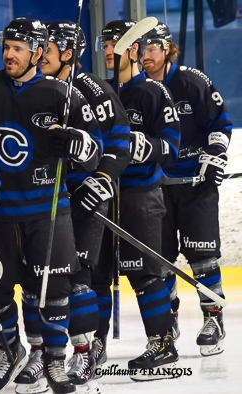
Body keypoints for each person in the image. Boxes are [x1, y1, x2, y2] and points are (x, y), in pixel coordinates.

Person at [0, 18, 101, 394]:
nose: (9, 54)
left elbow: (94, 153)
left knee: (52, 289)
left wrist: (77, 145)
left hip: (46, 211)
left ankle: (53, 360)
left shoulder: (64, 95)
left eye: (19, 48)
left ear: (38, 52)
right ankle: (10, 350)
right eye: (7, 47)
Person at [41, 20, 131, 390]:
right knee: (49, 279)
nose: (40, 54)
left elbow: (121, 141)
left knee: (81, 274)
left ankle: (88, 348)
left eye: (47, 48)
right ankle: (47, 354)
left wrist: (103, 179)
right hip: (49, 200)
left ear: (67, 52)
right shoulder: (38, 88)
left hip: (87, 195)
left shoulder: (93, 87)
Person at [93, 19, 181, 380]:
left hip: (140, 195)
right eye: (106, 43)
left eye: (117, 43)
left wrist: (145, 147)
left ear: (133, 49)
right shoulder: (97, 91)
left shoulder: (153, 92)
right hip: (102, 195)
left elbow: (172, 147)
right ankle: (93, 345)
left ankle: (162, 343)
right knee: (95, 275)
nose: (109, 49)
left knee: (144, 275)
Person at [140, 22, 232, 356]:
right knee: (159, 261)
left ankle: (213, 319)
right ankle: (168, 320)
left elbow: (220, 124)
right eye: (141, 49)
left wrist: (217, 154)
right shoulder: (137, 90)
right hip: (154, 189)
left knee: (203, 258)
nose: (145, 56)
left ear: (167, 49)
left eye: (152, 49)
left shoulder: (192, 81)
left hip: (196, 185)